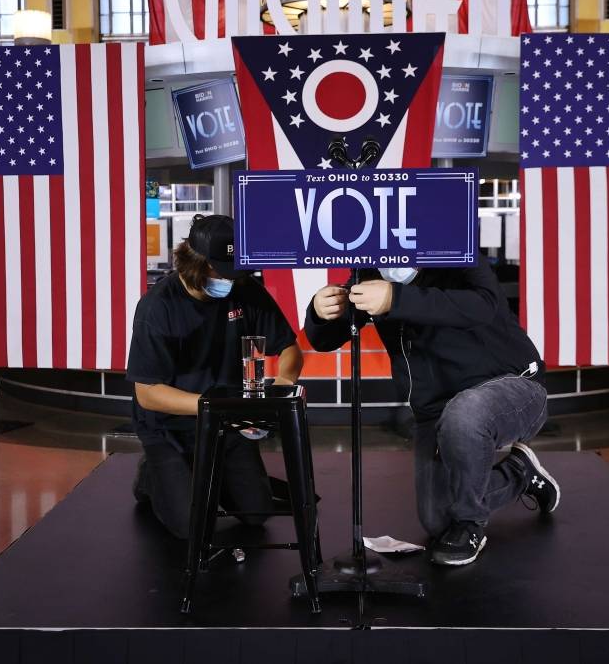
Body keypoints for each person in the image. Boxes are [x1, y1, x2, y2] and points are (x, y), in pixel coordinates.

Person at [305, 264, 559, 566]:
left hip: (515, 385)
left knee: (466, 416)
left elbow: (483, 304)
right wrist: (320, 312)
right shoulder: (370, 273)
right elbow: (325, 340)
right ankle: (520, 473)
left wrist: (396, 299)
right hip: (437, 409)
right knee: (438, 519)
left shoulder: (459, 254)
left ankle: (470, 525)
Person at [126, 214, 303, 539]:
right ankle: (153, 476)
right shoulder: (157, 307)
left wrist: (282, 385)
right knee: (193, 527)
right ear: (195, 263)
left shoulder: (245, 290)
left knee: (257, 514)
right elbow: (147, 393)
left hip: (227, 423)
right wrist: (217, 405)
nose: (231, 280)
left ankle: (209, 476)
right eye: (222, 271)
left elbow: (290, 349)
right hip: (169, 429)